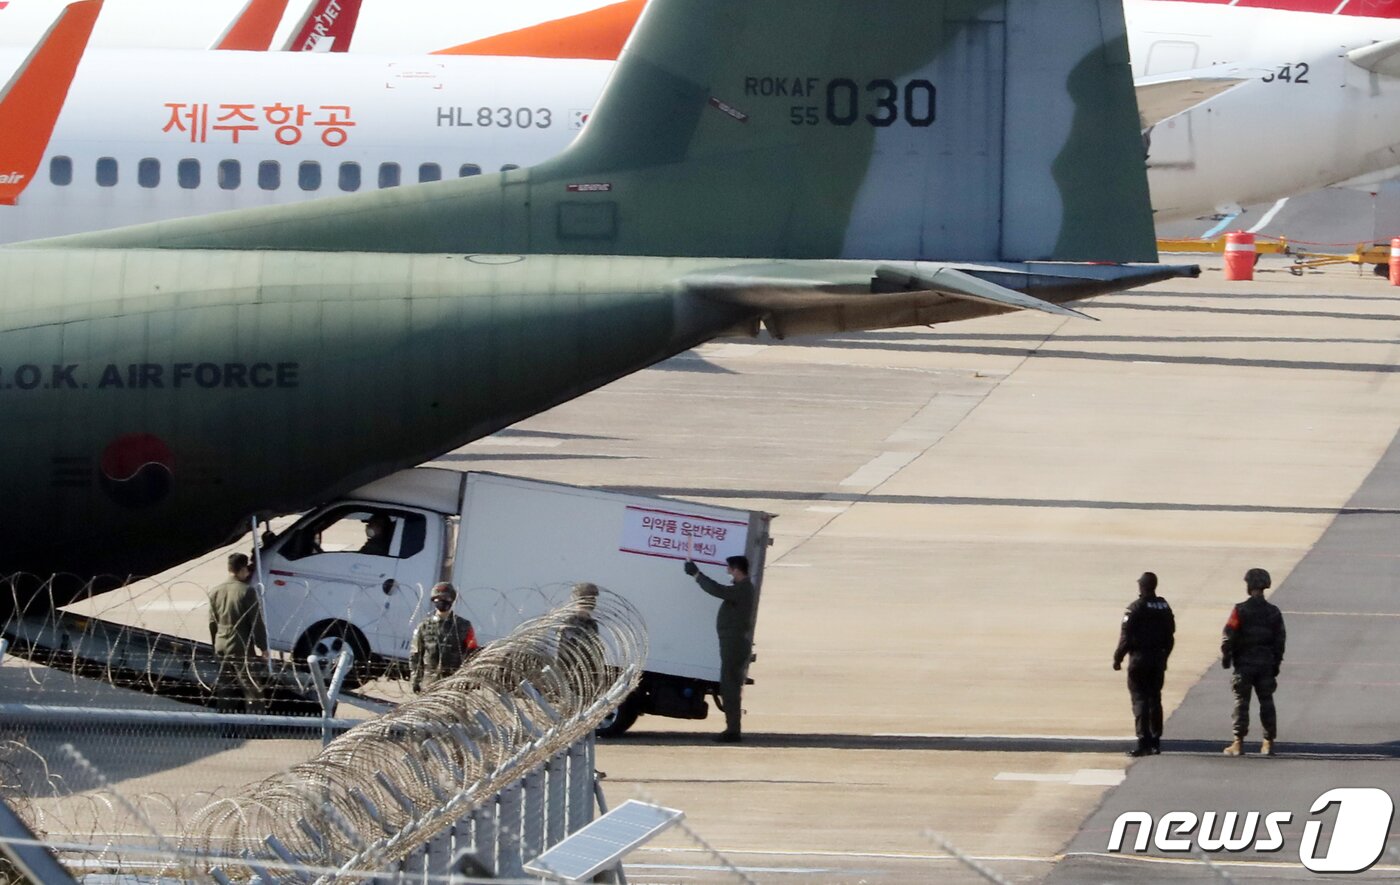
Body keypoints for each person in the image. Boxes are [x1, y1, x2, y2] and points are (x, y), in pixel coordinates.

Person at [683, 555, 756, 743]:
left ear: (736, 569)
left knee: (729, 686)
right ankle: (732, 728)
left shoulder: (743, 589)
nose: (727, 571)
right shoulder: (742, 588)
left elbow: (717, 590)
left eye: (729, 568)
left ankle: (733, 730)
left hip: (734, 643)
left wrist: (697, 575)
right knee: (729, 685)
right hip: (732, 642)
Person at [1221, 567, 1286, 756]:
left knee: (1241, 701)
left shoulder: (1240, 610)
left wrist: (1227, 656)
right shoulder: (1273, 612)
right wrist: (1276, 663)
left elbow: (1228, 635)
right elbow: (1280, 640)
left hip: (1244, 664)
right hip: (1265, 663)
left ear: (1249, 586)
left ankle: (1238, 742)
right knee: (1266, 700)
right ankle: (1268, 742)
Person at [1112, 572, 1175, 757]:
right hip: (1157, 660)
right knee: (1155, 699)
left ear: (1142, 587)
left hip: (1139, 661)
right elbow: (1170, 636)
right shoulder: (1164, 606)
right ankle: (1156, 742)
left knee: (1140, 699)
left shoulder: (1135, 608)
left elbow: (1126, 637)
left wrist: (1118, 658)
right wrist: (1165, 657)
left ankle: (1143, 741)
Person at [208, 551, 269, 713]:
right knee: (252, 689)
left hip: (221, 646)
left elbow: (212, 623)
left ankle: (226, 727)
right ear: (242, 569)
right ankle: (257, 727)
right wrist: (263, 647)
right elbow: (256, 622)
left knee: (226, 690)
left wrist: (216, 644)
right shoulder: (246, 591)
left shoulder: (215, 591)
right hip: (240, 646)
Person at [410, 582, 478, 693]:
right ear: (433, 600)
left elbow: (473, 653)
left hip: (454, 685)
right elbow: (416, 655)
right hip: (429, 684)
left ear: (452, 600)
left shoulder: (464, 626)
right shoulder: (424, 626)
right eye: (439, 598)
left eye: (446, 597)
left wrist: (469, 679)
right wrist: (415, 680)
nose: (442, 601)